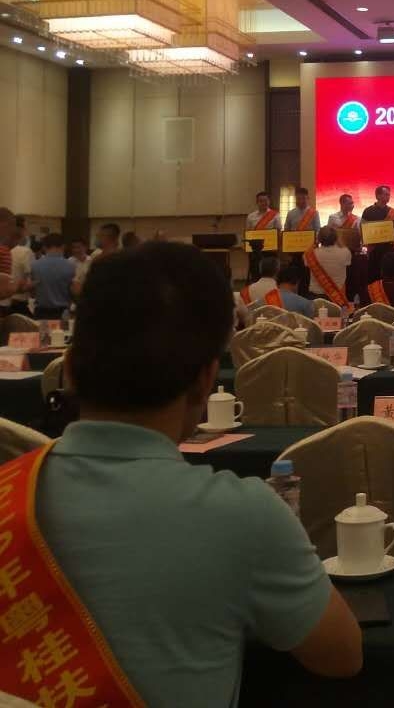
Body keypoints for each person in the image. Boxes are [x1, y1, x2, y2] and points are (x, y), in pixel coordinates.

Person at [23, 241, 363, 704]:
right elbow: (341, 655)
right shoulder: (244, 514)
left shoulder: (10, 496)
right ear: (206, 381)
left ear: (69, 371)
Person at [30, 233, 76, 319]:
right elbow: (73, 291)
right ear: (63, 246)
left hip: (41, 312)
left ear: (44, 247)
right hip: (63, 312)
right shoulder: (71, 266)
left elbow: (32, 292)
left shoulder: (35, 265)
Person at [304, 226, 351, 307]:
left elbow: (305, 256)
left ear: (319, 239)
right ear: (336, 238)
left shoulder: (310, 255)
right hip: (337, 298)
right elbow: (343, 247)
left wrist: (315, 242)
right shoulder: (345, 252)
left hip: (316, 297)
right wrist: (338, 240)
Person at [361, 186, 394, 285]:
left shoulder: (392, 212)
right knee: (373, 275)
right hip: (373, 249)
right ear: (377, 196)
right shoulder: (368, 211)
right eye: (386, 194)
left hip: (388, 249)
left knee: (387, 276)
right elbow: (362, 229)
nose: (388, 197)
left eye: (389, 195)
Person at [1, 215, 33, 316]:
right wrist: (19, 285)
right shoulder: (5, 252)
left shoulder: (7, 251)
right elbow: (3, 289)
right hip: (9, 303)